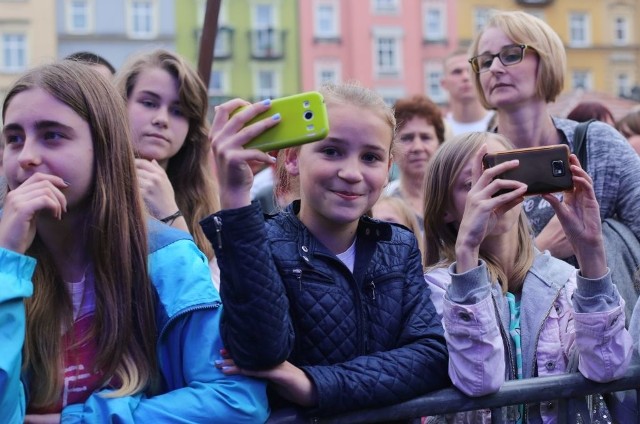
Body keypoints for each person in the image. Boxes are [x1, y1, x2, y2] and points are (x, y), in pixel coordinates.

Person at [0, 61, 268, 422]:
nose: (27, 156)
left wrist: (80, 420)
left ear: (105, 147)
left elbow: (237, 402)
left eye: (52, 135)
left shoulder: (167, 258)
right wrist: (7, 265)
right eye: (14, 138)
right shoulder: (6, 260)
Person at [201, 83, 449, 417]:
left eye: (371, 157)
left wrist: (313, 385)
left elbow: (432, 357)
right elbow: (260, 352)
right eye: (331, 151)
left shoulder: (398, 245)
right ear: (291, 158)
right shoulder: (261, 243)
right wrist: (234, 197)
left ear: (389, 165)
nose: (351, 173)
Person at [423, 132, 632, 422]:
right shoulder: (437, 288)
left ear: (526, 188)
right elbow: (479, 381)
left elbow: (607, 368)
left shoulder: (568, 282)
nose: (495, 192)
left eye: (504, 176)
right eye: (475, 185)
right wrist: (468, 249)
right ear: (445, 209)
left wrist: (591, 252)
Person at [468, 10, 640, 265]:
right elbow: (461, 270)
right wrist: (541, 251)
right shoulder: (471, 161)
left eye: (511, 55)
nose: (494, 68)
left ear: (546, 61)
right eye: (484, 62)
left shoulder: (599, 144)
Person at [115, 49, 220, 284]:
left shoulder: (206, 206)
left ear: (191, 128)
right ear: (121, 105)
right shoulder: (92, 189)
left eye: (178, 111)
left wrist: (170, 216)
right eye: (149, 103)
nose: (162, 119)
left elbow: (206, 300)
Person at [385, 94, 445, 231]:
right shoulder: (384, 200)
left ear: (440, 143)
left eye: (425, 137)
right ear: (393, 147)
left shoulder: (454, 198)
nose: (417, 147)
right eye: (407, 138)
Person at [441, 48, 495, 136]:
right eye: (457, 72)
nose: (465, 77)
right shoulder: (440, 130)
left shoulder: (500, 124)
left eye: (470, 70)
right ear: (444, 83)